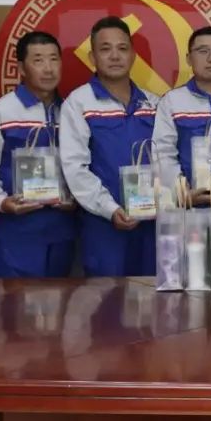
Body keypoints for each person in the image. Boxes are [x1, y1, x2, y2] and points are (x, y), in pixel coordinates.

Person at [59, 17, 158, 277]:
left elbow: (168, 159)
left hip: (152, 223)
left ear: (133, 55)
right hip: (104, 225)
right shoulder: (79, 103)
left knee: (152, 296)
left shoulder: (154, 103)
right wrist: (110, 209)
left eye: (122, 48)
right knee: (107, 298)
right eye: (105, 49)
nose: (115, 56)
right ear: (92, 57)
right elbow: (75, 167)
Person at [0, 31, 77, 277]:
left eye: (54, 59)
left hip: (62, 229)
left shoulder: (71, 112)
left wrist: (76, 198)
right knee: (13, 299)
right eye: (38, 60)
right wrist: (1, 202)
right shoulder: (0, 112)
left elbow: (81, 165)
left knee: (60, 298)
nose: (48, 69)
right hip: (16, 230)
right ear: (22, 68)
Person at [153, 26, 211, 204]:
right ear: (189, 58)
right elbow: (163, 153)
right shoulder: (173, 101)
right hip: (189, 208)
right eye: (203, 51)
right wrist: (181, 192)